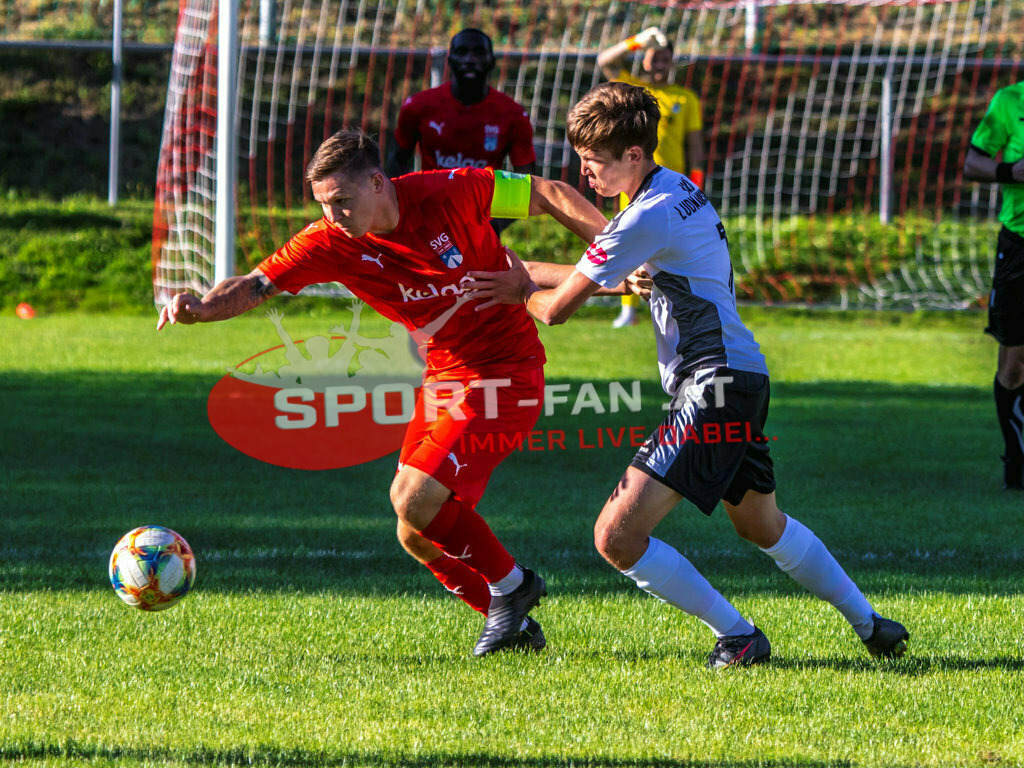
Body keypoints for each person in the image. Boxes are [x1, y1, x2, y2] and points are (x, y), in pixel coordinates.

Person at [466, 82, 909, 667]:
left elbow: (554, 308)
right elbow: (598, 267)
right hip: (743, 376)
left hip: (712, 384)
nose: (584, 174)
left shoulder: (643, 217)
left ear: (631, 155)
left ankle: (739, 636)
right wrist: (520, 270)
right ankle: (871, 624)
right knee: (761, 523)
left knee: (616, 538)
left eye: (593, 162)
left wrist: (518, 286)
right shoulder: (675, 191)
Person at [157, 129, 620, 657]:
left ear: (378, 183)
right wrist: (202, 307)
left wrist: (617, 251)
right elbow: (255, 284)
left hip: (506, 372)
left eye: (342, 202)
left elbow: (548, 193)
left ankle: (514, 587)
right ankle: (511, 625)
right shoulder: (328, 242)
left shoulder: (453, 190)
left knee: (413, 498)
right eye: (324, 205)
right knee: (415, 532)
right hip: (444, 377)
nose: (333, 216)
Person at [597, 26, 706, 329]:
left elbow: (695, 146)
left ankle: (681, 306)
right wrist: (637, 41)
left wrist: (696, 183)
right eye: (653, 57)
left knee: (678, 248)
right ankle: (628, 308)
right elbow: (606, 60)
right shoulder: (634, 92)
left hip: (674, 188)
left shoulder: (685, 98)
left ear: (672, 62)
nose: (658, 63)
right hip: (632, 184)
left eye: (664, 58)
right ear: (644, 61)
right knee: (627, 241)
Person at [387, 28, 536, 236]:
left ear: (492, 61)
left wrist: (497, 223)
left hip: (482, 225)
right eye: (462, 51)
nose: (469, 59)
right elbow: (396, 161)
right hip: (427, 221)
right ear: (450, 60)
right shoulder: (418, 107)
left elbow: (526, 178)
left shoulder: (513, 115)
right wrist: (405, 209)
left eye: (478, 53)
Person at [963, 82, 1024, 490]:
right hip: (1020, 246)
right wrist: (1011, 172)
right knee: (1014, 365)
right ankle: (1016, 461)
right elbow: (973, 163)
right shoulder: (1010, 101)